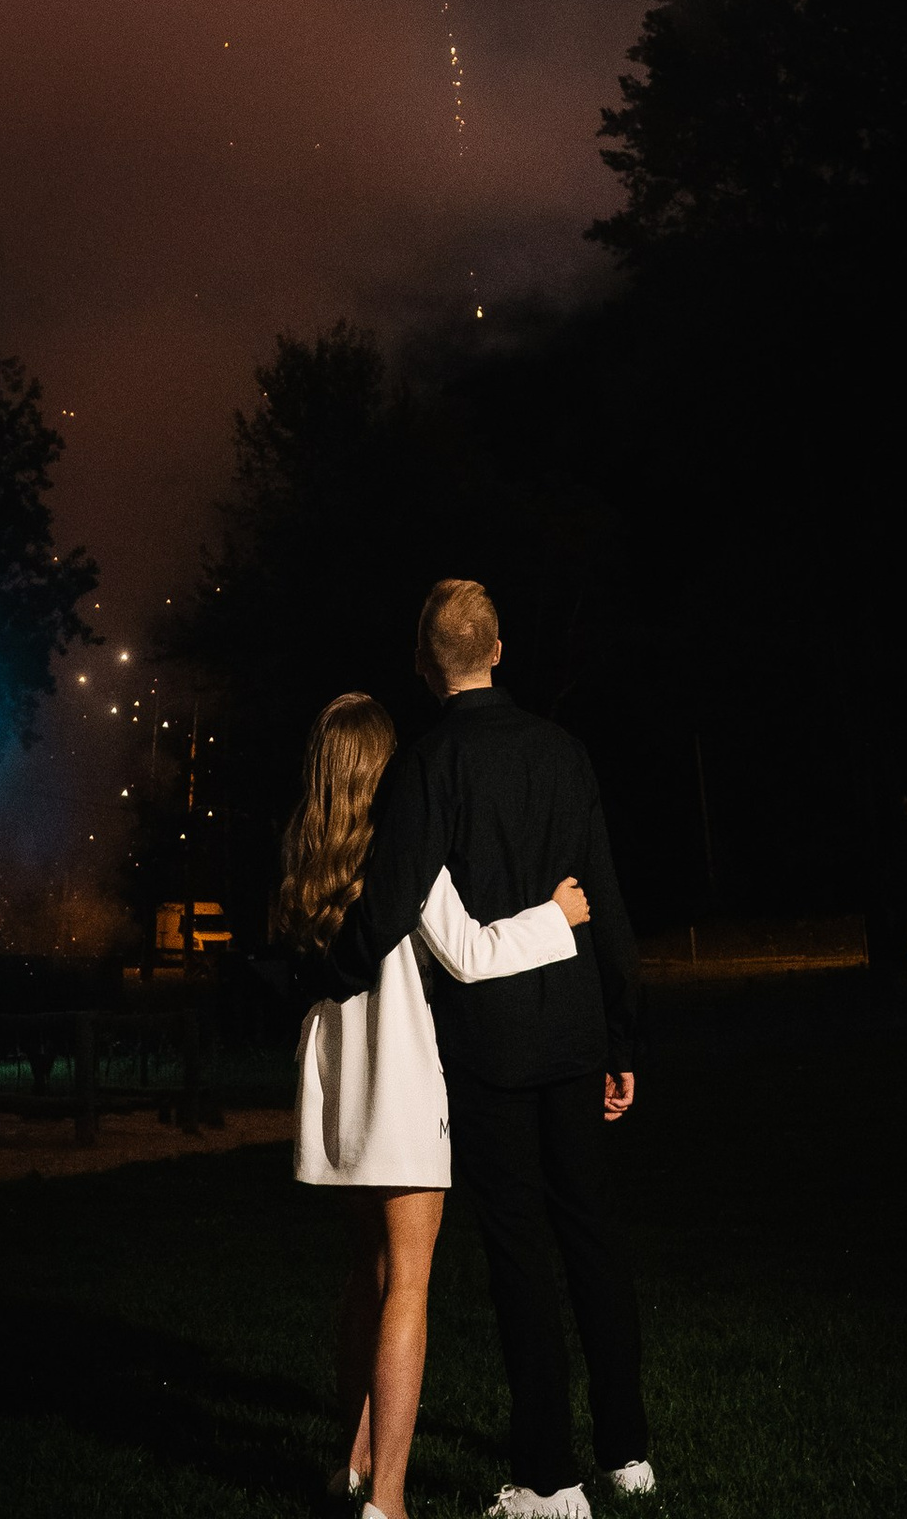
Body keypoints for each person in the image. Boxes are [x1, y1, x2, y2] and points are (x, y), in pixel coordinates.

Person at [324, 578, 652, 1519]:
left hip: (494, 1045)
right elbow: (609, 895)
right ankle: (627, 1451)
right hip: (578, 1025)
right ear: (498, 649)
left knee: (518, 1248)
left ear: (427, 666)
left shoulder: (428, 765)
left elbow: (389, 902)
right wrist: (624, 1028)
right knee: (592, 1230)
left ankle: (548, 1477)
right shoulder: (563, 751)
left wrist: (322, 970)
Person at [278, 688, 593, 1519]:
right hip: (398, 1084)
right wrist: (555, 918)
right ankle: (388, 1500)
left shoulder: (306, 854)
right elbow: (471, 953)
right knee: (407, 1284)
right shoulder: (401, 851)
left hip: (338, 1083)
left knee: (365, 1273)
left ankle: (349, 1462)